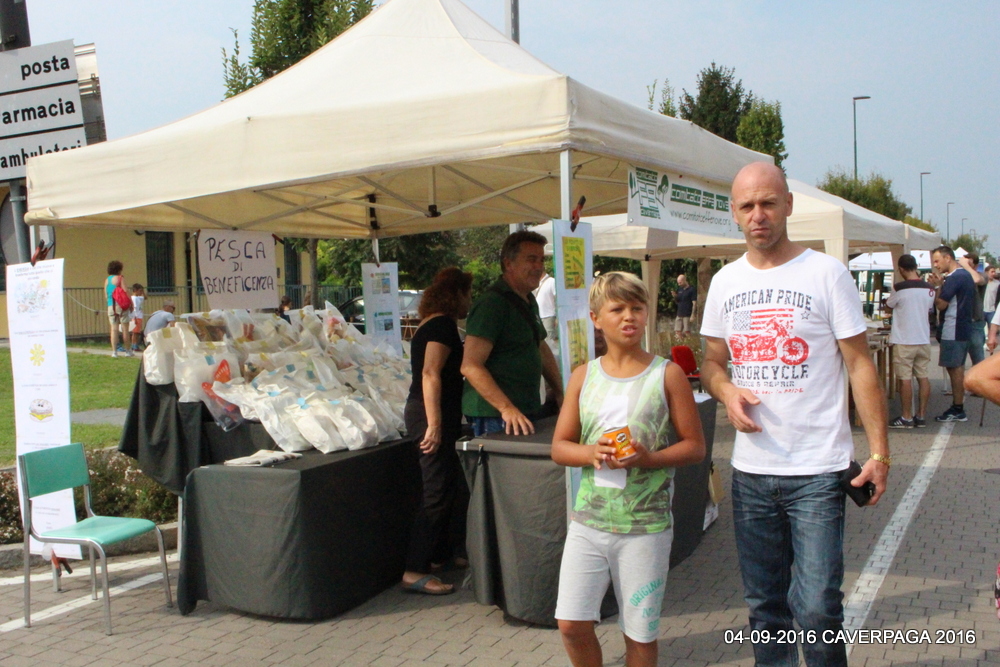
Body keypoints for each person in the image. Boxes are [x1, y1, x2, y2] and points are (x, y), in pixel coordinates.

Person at [700, 162, 889, 667]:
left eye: (767, 203)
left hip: (818, 471)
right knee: (766, 608)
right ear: (734, 213)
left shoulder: (826, 273)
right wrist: (726, 391)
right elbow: (712, 361)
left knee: (818, 608)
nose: (758, 215)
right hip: (752, 474)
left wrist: (879, 454)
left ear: (788, 204)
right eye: (747, 206)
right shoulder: (725, 282)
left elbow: (860, 365)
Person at [551, 271, 705, 667]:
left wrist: (649, 459)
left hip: (645, 527)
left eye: (637, 308)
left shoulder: (667, 374)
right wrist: (591, 453)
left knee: (639, 635)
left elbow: (695, 447)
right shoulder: (583, 375)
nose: (629, 317)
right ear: (595, 318)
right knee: (571, 624)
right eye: (617, 309)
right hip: (589, 522)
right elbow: (559, 447)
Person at [402, 268, 473, 596]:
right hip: (429, 415)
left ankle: (439, 555)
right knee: (435, 491)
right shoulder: (442, 325)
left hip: (432, 414)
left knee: (446, 487)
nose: (470, 301)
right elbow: (430, 373)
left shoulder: (430, 324)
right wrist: (434, 424)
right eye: (468, 294)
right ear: (456, 294)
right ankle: (414, 569)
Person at [461, 230, 563, 436]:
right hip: (496, 415)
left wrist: (561, 392)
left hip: (523, 410)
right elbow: (470, 366)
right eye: (531, 259)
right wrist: (506, 408)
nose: (539, 266)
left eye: (541, 260)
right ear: (509, 264)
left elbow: (540, 347)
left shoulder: (528, 299)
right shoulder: (492, 304)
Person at [927, 246, 980, 422]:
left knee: (955, 368)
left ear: (948, 258)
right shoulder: (964, 276)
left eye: (937, 261)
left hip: (954, 328)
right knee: (955, 367)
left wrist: (937, 287)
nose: (935, 265)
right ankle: (958, 406)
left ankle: (958, 408)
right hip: (961, 327)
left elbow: (941, 304)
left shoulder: (955, 277)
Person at [884, 255, 935, 428]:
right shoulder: (929, 288)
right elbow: (930, 309)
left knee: (904, 378)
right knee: (923, 376)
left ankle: (906, 416)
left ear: (901, 269)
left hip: (905, 339)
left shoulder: (899, 288)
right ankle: (921, 415)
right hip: (923, 338)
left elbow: (889, 306)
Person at [105, 260, 133, 358]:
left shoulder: (107, 280)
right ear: (119, 269)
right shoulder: (120, 278)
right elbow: (125, 291)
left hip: (110, 305)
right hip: (121, 305)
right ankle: (128, 351)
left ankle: (114, 352)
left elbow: (106, 294)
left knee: (114, 329)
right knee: (125, 329)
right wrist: (131, 303)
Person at [535, 271, 559, 358]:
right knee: (543, 341)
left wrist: (557, 317)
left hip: (549, 316)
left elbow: (557, 299)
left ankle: (554, 359)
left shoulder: (552, 281)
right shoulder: (537, 283)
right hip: (539, 316)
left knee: (550, 341)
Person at [129, 284, 146, 352]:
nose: (141, 292)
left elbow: (145, 297)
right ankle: (134, 345)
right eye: (140, 291)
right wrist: (135, 318)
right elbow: (134, 309)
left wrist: (143, 292)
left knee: (137, 332)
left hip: (139, 316)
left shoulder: (138, 297)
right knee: (135, 332)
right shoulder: (134, 298)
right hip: (136, 317)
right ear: (135, 290)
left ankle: (135, 344)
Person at [983, 266, 999, 333]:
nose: (993, 273)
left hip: (992, 311)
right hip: (982, 311)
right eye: (992, 272)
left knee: (993, 331)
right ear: (986, 272)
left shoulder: (997, 284)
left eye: (994, 272)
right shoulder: (982, 283)